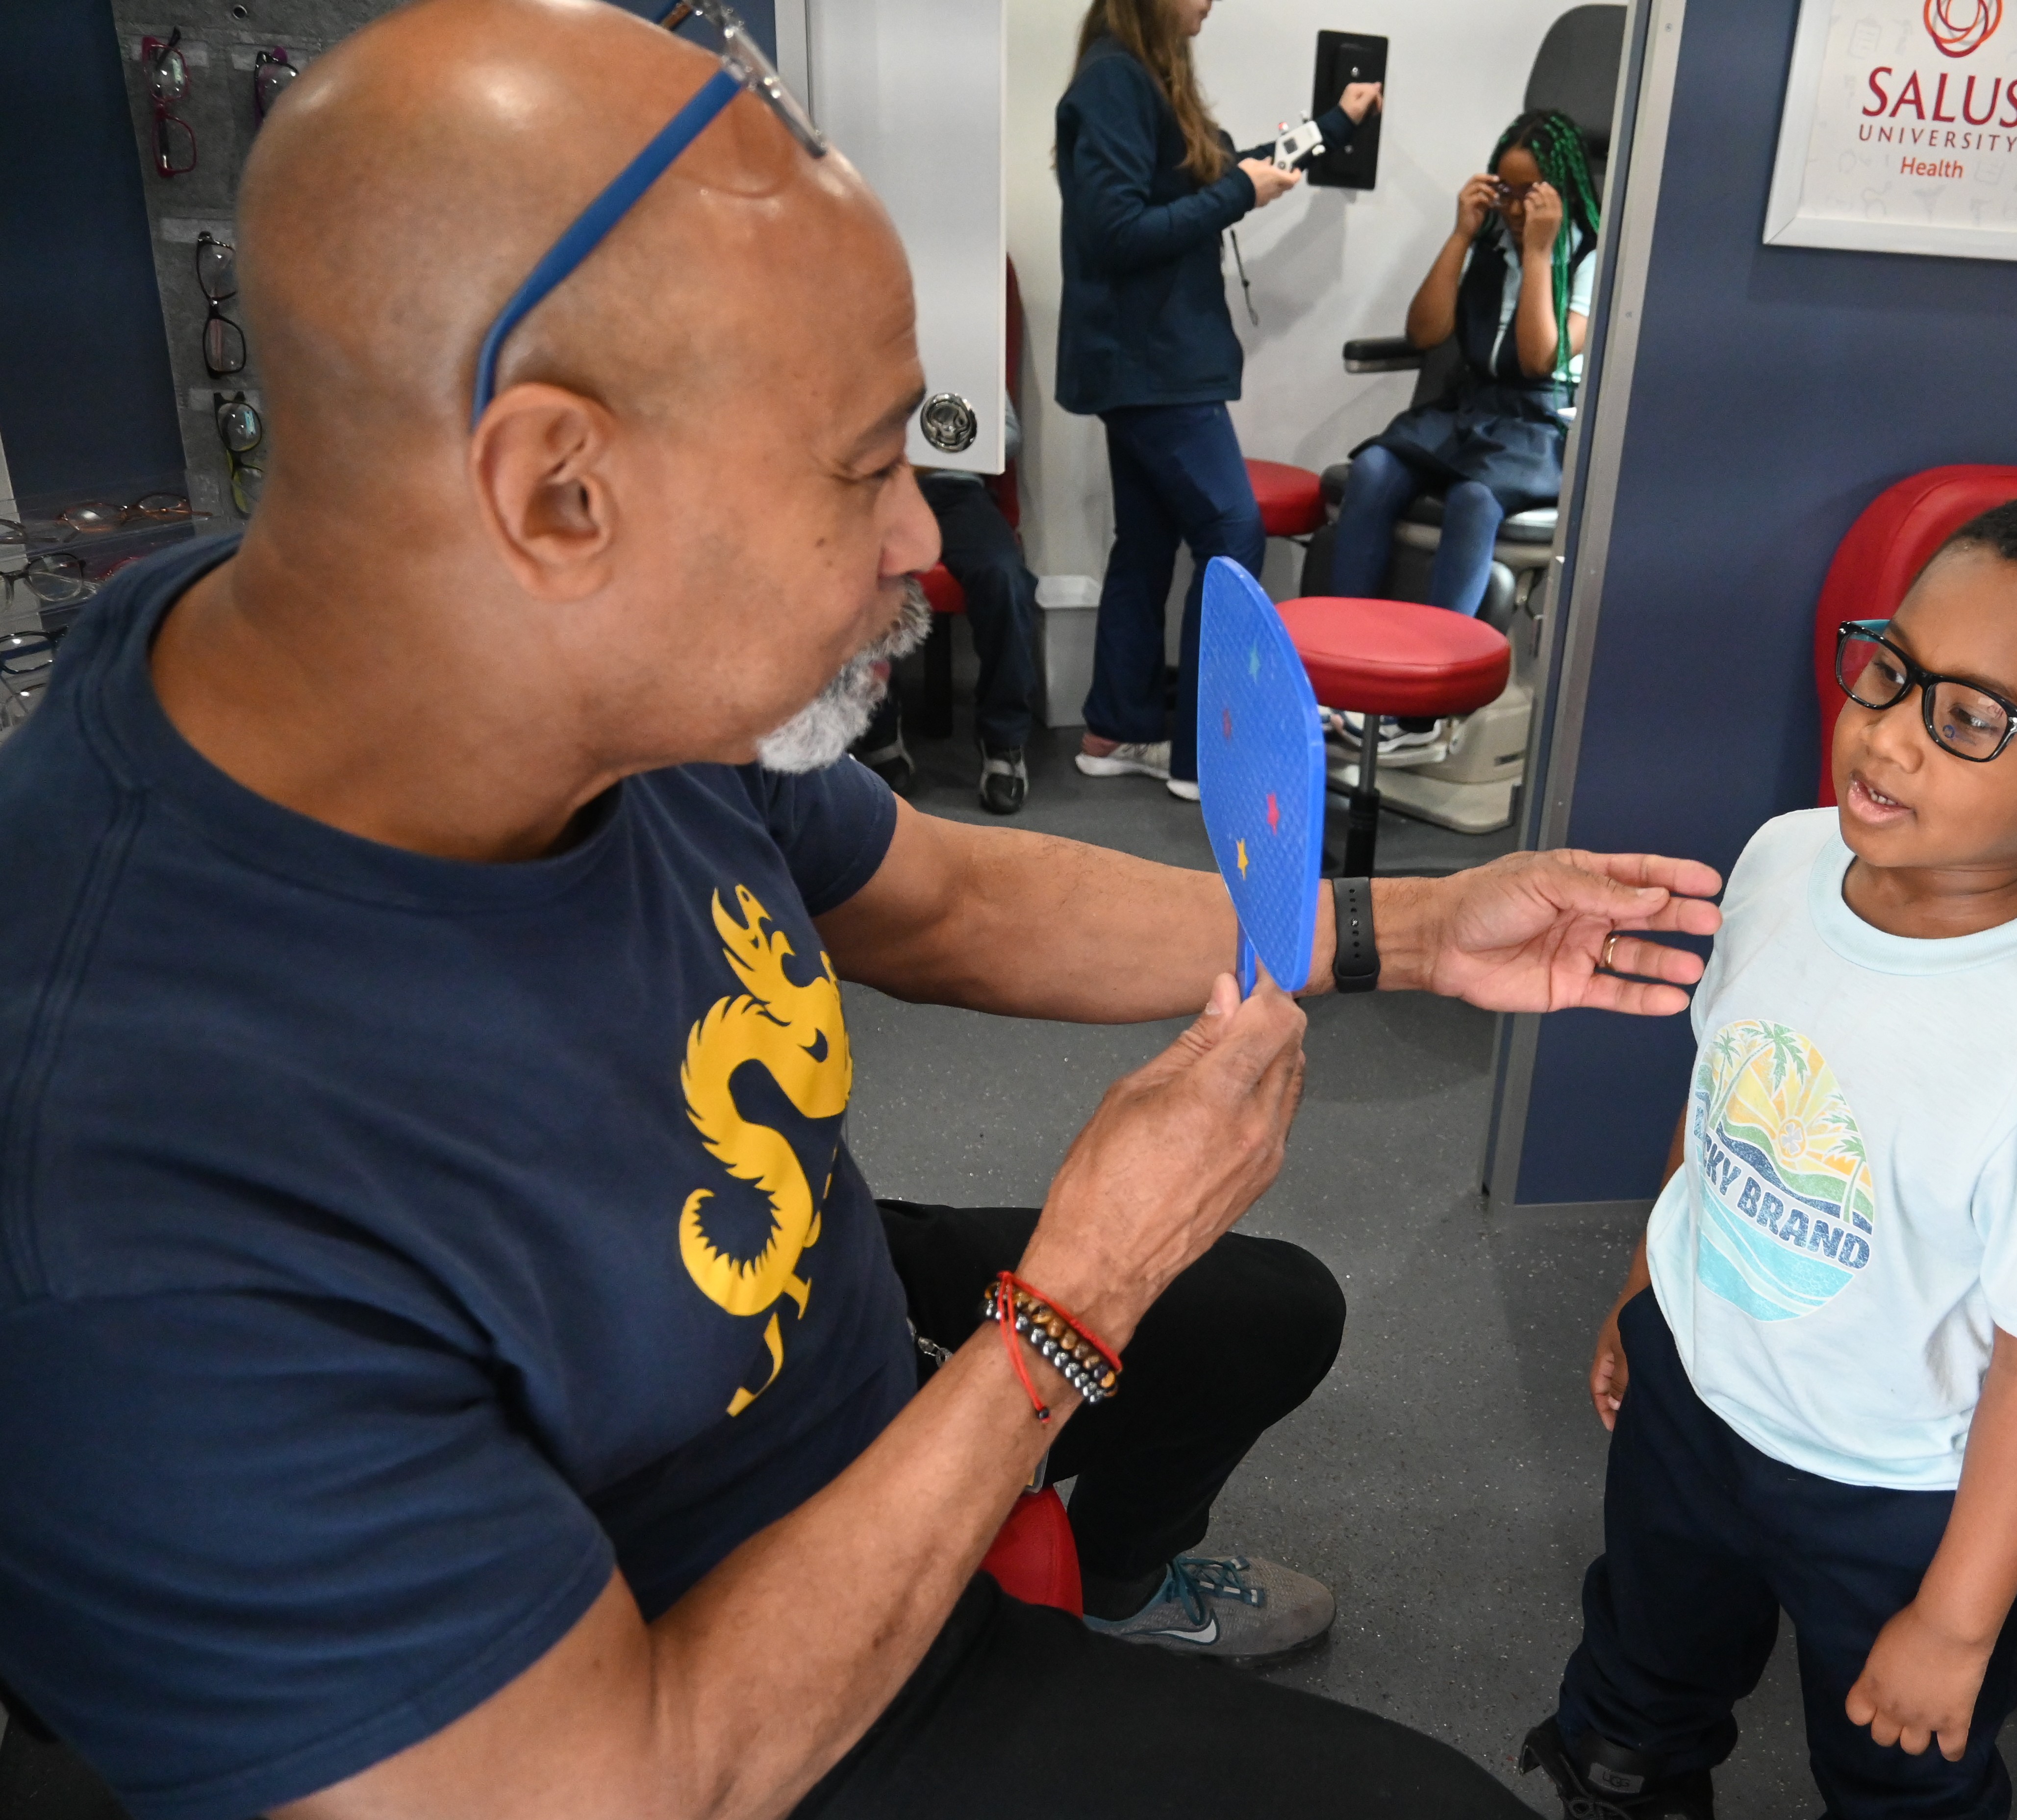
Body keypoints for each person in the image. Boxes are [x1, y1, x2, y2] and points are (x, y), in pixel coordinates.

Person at [0, 7, 1727, 1819]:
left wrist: (1411, 929)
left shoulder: (511, 657)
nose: (924, 541)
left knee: (1265, 1308)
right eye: (862, 466)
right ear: (556, 488)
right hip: (716, 1689)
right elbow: (627, 1783)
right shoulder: (129, 1188)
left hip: (764, 1322)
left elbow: (944, 894)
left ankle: (1104, 1580)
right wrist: (1072, 1302)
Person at [1524, 492, 2017, 1820]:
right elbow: (1724, 1086)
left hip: (1890, 1490)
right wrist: (1646, 1283)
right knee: (1635, 1685)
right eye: (1892, 671)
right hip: (1694, 1391)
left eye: (1968, 719)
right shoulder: (1787, 860)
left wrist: (1958, 1623)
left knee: (1902, 1764)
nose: (1889, 732)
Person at [1056, 0, 1379, 802]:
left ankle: (1115, 727)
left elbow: (1228, 169)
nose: (1211, 2)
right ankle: (1205, 756)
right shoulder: (1113, 83)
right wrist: (1237, 192)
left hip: (1147, 366)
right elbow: (1116, 231)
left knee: (1144, 543)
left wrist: (1332, 126)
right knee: (1231, 530)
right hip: (1151, 368)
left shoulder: (1140, 81)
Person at [1324, 107, 1600, 766]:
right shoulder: (1486, 240)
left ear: (1556, 190)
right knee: (1374, 472)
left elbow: (1540, 359)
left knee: (1476, 500)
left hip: (1540, 421)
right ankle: (1338, 673)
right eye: (1502, 190)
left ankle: (1426, 709)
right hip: (1472, 407)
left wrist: (1539, 252)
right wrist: (1459, 236)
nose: (1510, 206)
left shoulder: (1591, 254)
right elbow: (1426, 335)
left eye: (1525, 192)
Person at [850, 407, 1044, 816]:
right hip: (876, 487)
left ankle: (1003, 739)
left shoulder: (972, 343)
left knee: (1005, 578)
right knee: (855, 576)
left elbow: (1007, 434)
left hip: (957, 491)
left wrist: (943, 441)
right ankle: (879, 732)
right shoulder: (859, 347)